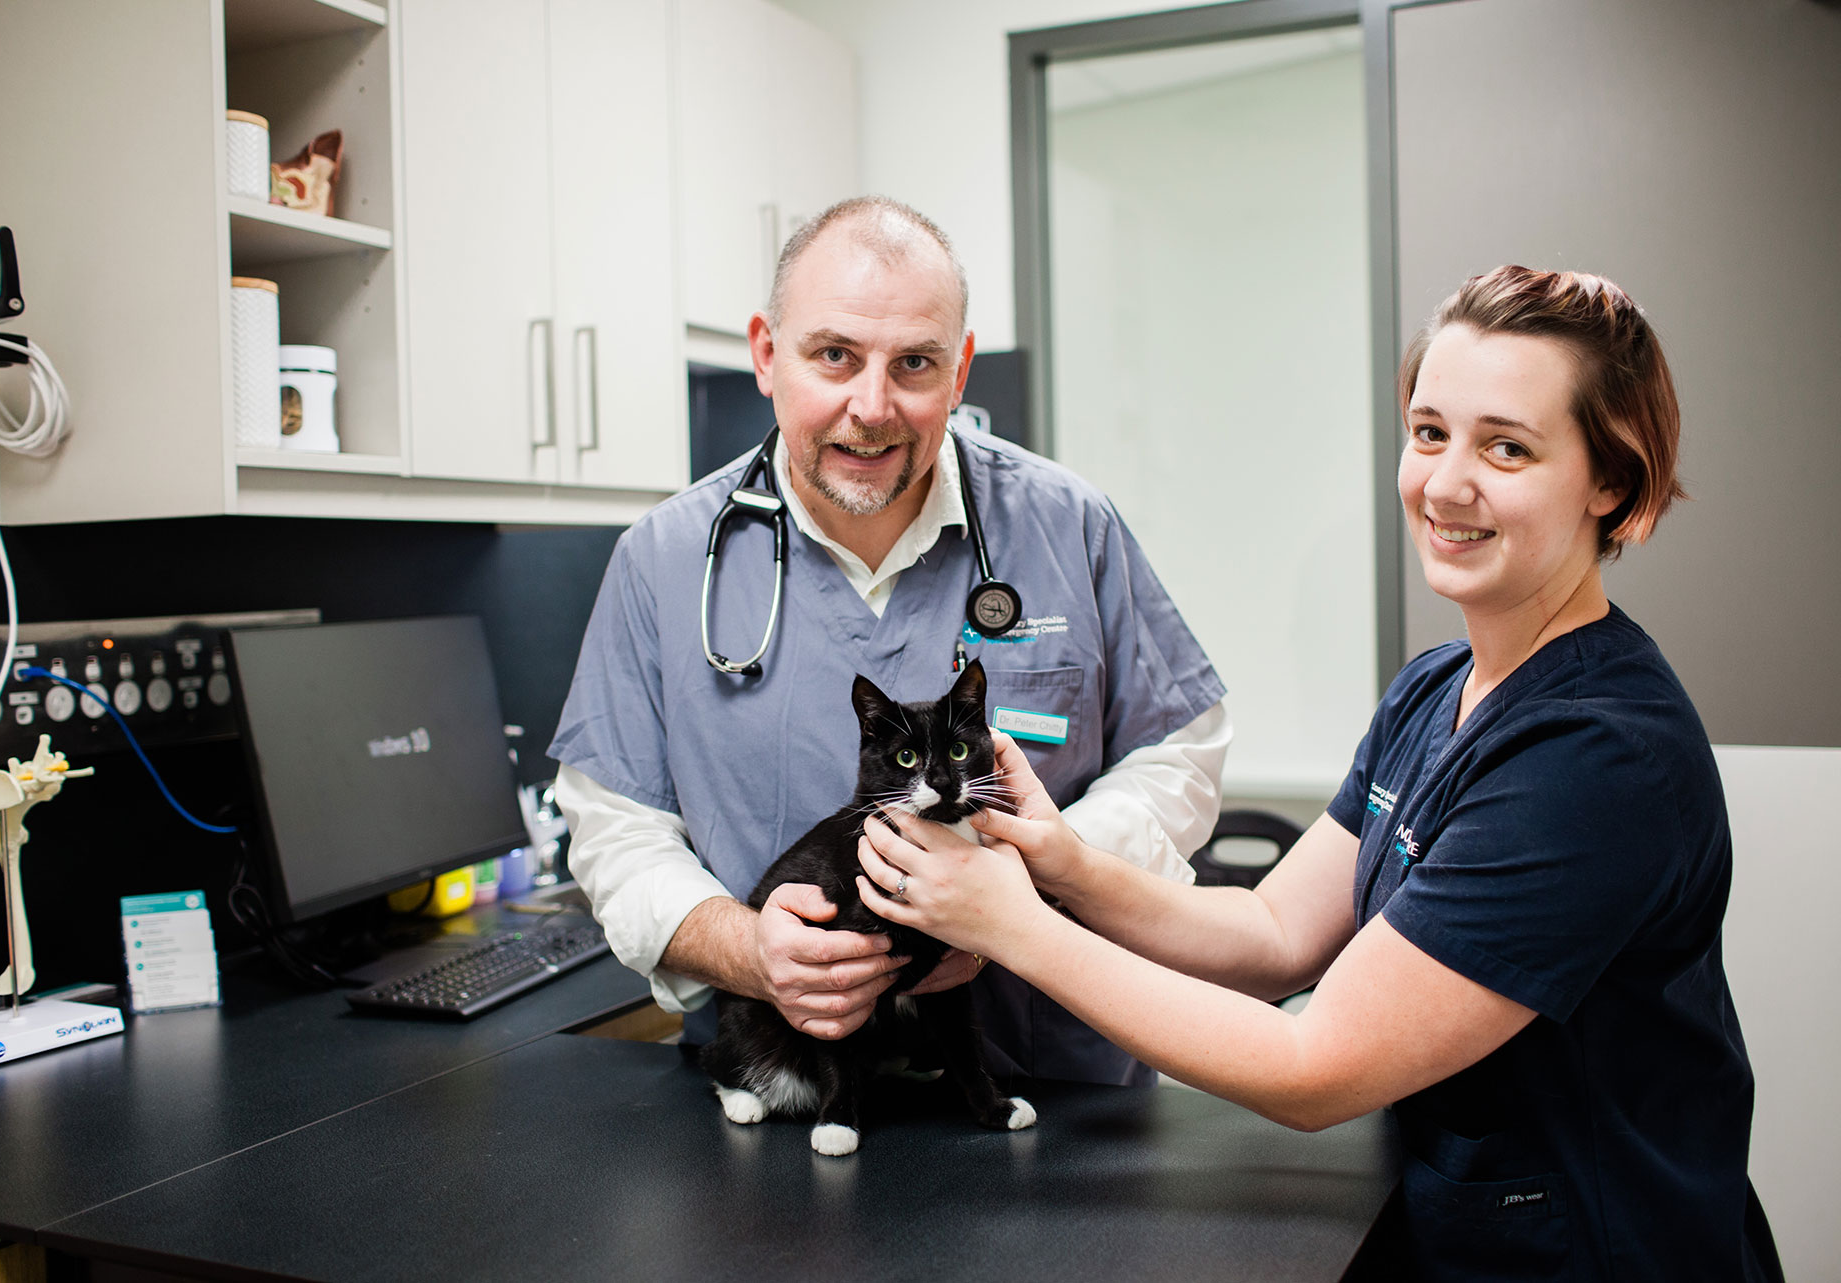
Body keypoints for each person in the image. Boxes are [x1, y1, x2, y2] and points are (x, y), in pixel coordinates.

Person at [855, 266, 1782, 1280]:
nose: (1448, 480)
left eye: (1507, 446)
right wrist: (1063, 861)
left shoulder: (1598, 756)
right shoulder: (1438, 686)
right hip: (1452, 1223)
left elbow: (1315, 1066)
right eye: (1430, 432)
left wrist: (1012, 925)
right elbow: (1274, 933)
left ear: (1611, 480)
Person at [547, 196, 1230, 1085]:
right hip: (787, 1086)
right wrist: (753, 949)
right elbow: (616, 830)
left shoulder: (1070, 527)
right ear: (765, 353)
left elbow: (1180, 755)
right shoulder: (663, 564)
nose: (871, 407)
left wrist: (1018, 903)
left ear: (960, 370)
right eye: (834, 355)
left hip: (1047, 1086)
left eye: (914, 363)